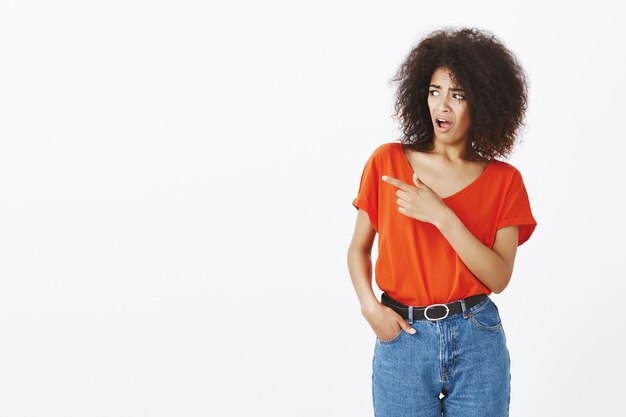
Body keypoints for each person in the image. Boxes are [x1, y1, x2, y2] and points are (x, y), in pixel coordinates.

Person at [347, 27, 537, 417]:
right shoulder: (387, 162)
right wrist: (370, 308)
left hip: (477, 340)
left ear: (483, 102)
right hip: (403, 337)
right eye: (435, 91)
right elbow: (358, 248)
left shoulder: (505, 182)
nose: (442, 106)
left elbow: (499, 277)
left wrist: (442, 215)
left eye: (458, 94)